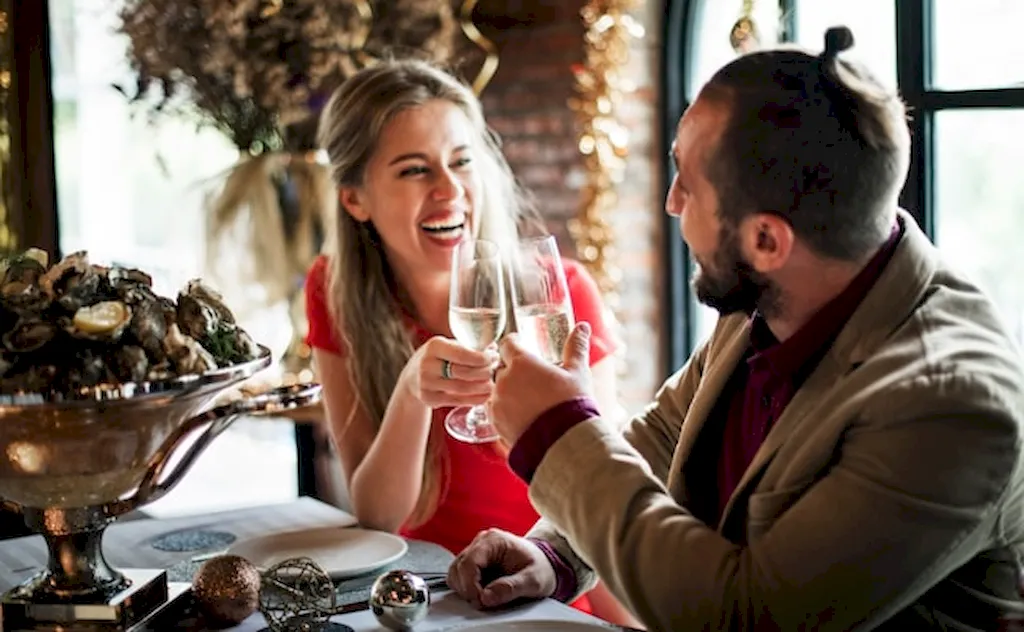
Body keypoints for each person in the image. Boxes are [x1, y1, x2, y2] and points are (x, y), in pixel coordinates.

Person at [447, 27, 1024, 631]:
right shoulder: (774, 291)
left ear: (767, 240)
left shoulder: (949, 405)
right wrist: (555, 554)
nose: (671, 203)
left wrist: (557, 433)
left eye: (688, 186)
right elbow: (668, 436)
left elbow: (747, 617)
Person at [304, 58, 637, 626]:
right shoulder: (334, 292)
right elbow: (378, 516)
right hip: (427, 602)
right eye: (414, 170)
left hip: (545, 593)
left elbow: (603, 506)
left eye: (462, 162)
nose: (450, 189)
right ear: (355, 199)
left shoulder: (556, 300)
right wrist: (413, 389)